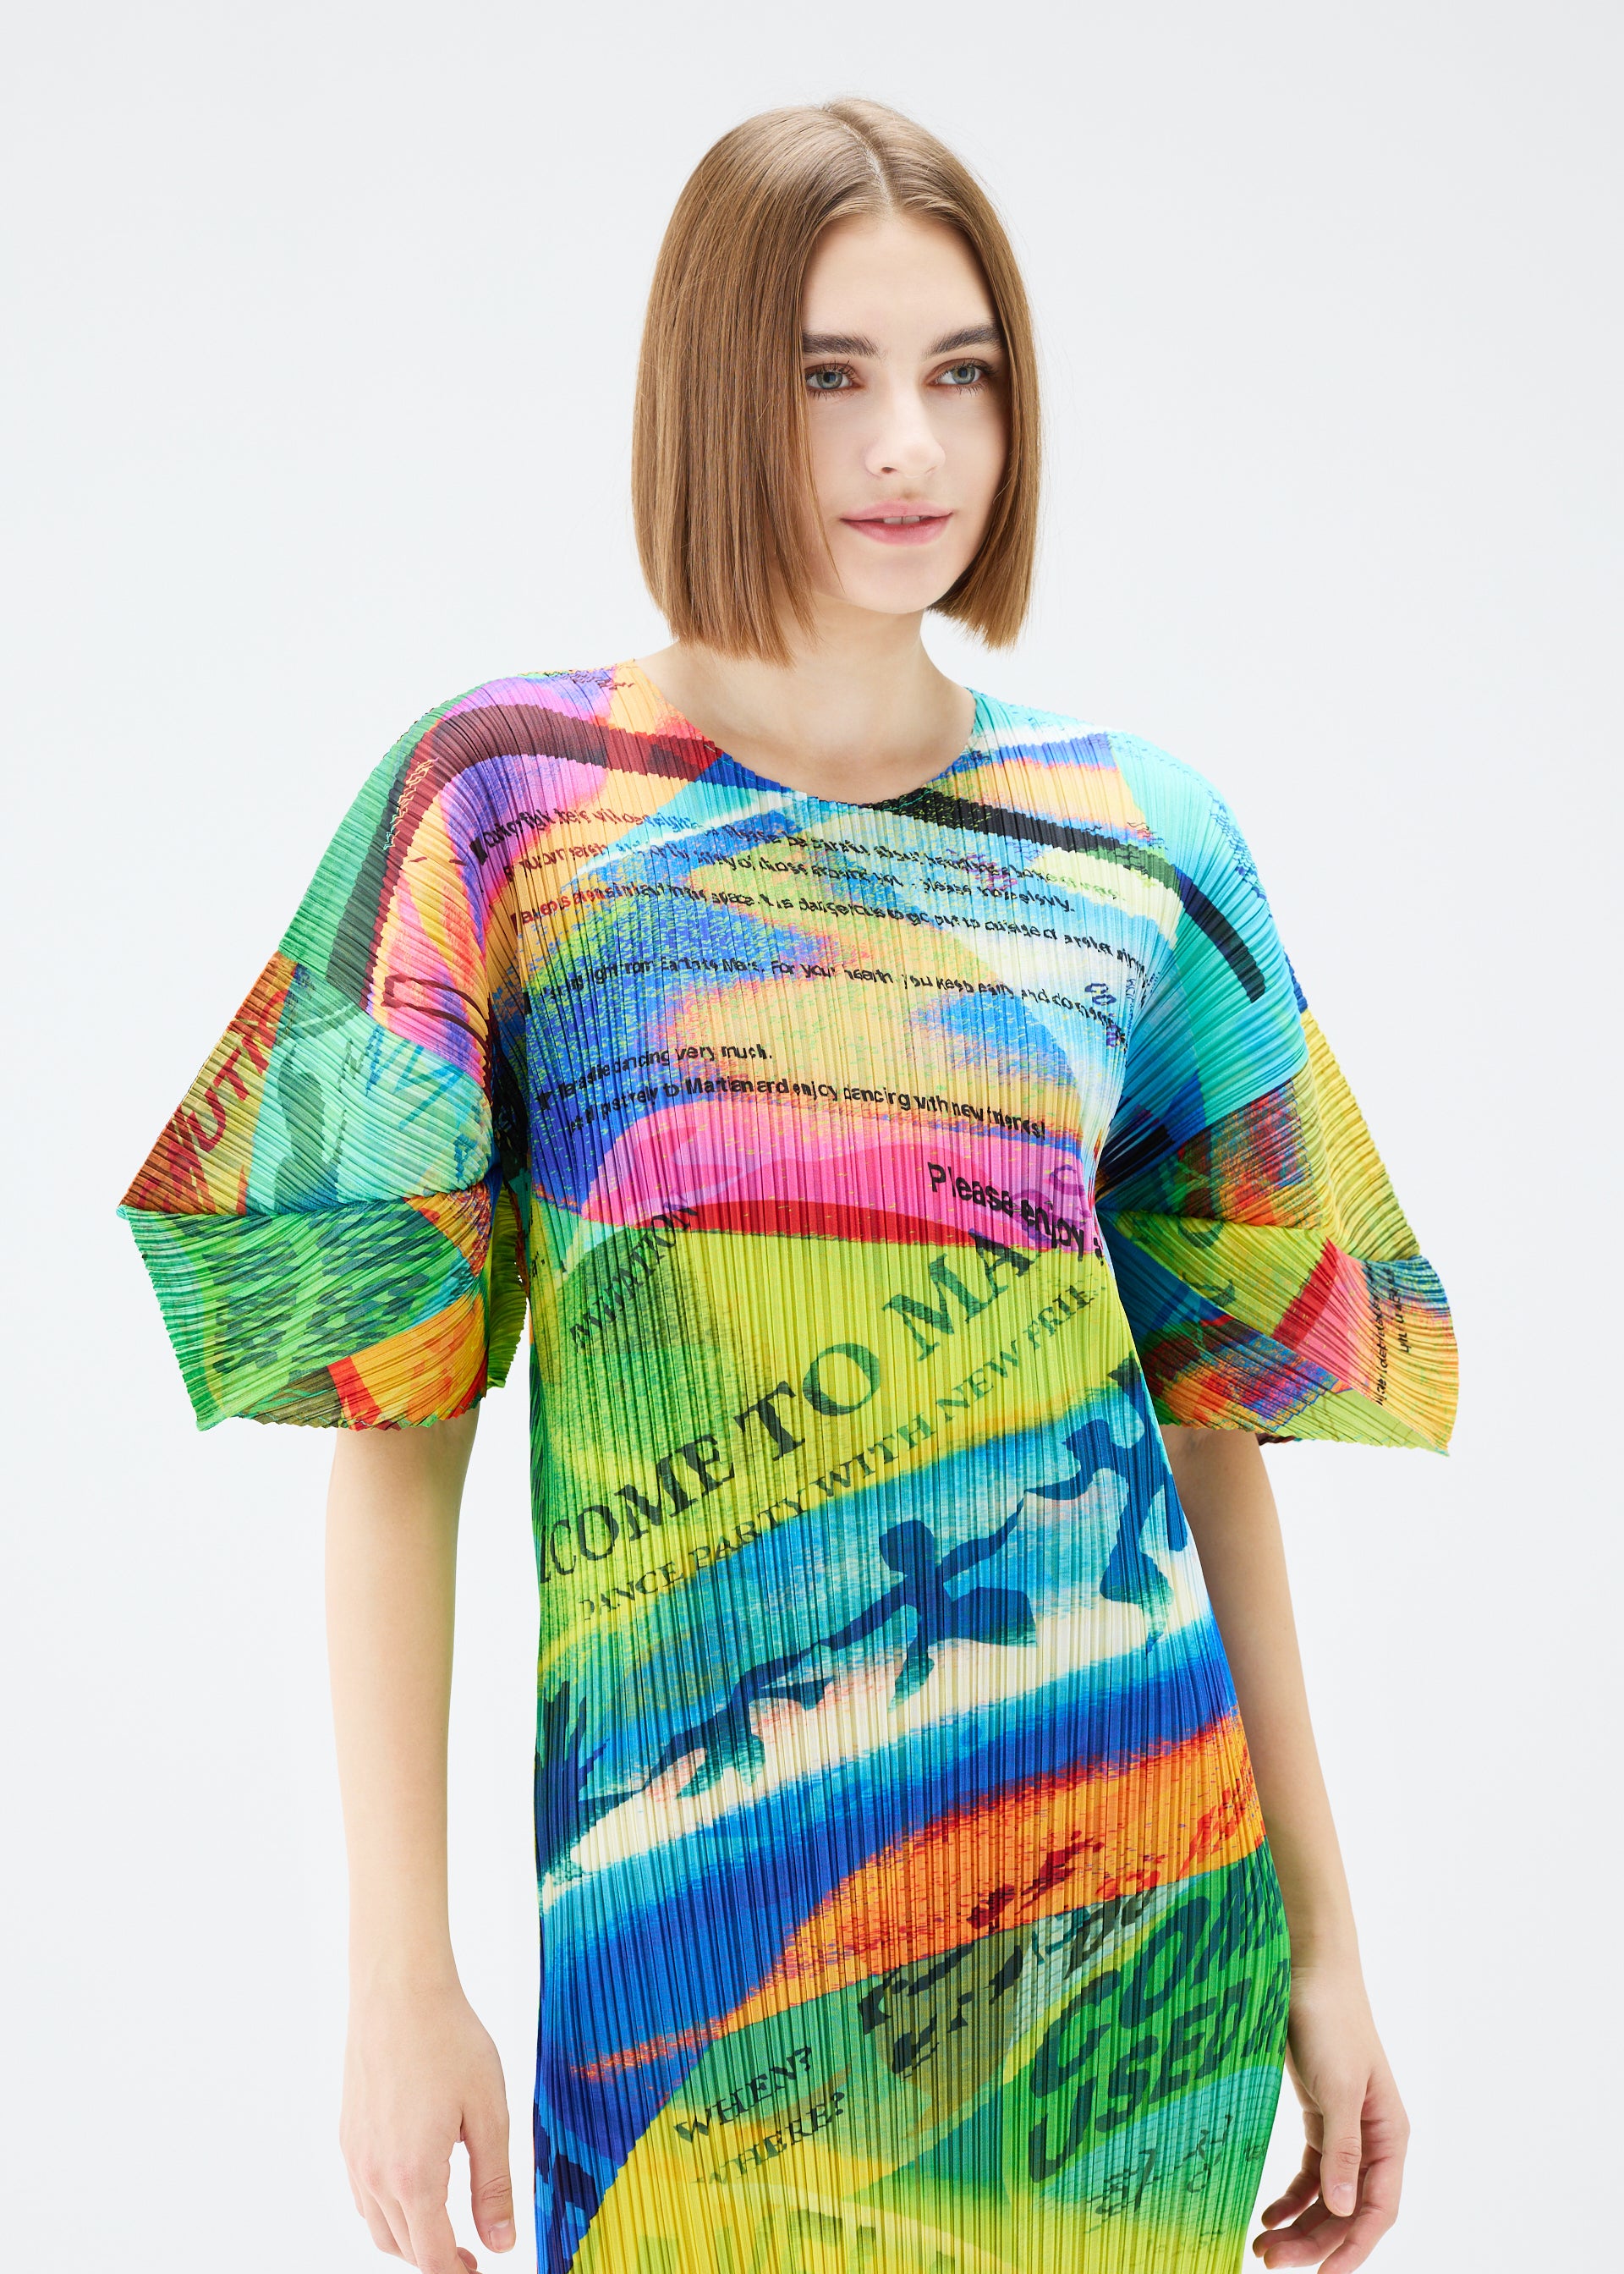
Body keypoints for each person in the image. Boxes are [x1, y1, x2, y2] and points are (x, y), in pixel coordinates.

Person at [117, 96, 1457, 2274]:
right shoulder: (505, 811)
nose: (909, 445)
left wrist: (1326, 1938)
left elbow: (1212, 1430)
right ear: (711, 388)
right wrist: (396, 1977)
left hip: (1121, 1961)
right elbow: (392, 1419)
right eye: (832, 372)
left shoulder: (1144, 845)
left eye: (963, 372)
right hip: (686, 1989)